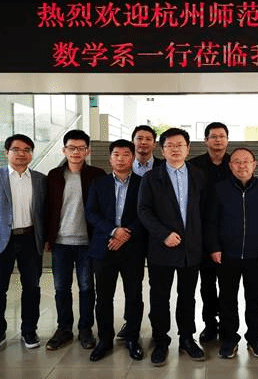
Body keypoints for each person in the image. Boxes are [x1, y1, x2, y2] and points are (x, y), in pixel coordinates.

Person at [138, 128, 207, 366]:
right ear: (162, 149)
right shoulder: (151, 178)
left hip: (191, 248)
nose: (175, 149)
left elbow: (206, 211)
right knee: (160, 296)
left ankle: (187, 338)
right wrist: (163, 234)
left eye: (180, 145)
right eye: (169, 145)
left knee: (188, 296)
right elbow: (143, 211)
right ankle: (161, 340)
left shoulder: (199, 175)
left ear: (188, 148)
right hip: (162, 247)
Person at [0, 134, 47, 355]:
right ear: (7, 152)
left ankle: (29, 331)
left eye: (27, 150)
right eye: (16, 149)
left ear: (31, 154)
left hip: (30, 239)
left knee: (32, 287)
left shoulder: (40, 179)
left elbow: (42, 210)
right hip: (0, 240)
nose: (21, 154)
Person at [207, 147, 258, 359]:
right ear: (230, 166)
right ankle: (229, 339)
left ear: (254, 165)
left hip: (257, 255)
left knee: (255, 299)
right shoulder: (219, 189)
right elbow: (211, 222)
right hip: (226, 255)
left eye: (246, 161)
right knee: (227, 299)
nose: (242, 165)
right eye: (237, 162)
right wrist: (214, 247)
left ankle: (256, 339)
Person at [85, 139, 146, 362]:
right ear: (110, 158)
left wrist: (126, 233)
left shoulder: (143, 183)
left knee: (134, 295)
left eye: (126, 154)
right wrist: (113, 231)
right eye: (116, 155)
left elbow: (146, 212)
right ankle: (105, 340)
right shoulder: (98, 183)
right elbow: (91, 213)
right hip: (104, 248)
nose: (121, 159)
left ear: (133, 157)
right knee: (103, 297)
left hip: (133, 249)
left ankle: (132, 338)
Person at [45, 130, 106, 351]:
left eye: (81, 148)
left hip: (87, 243)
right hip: (61, 242)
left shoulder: (97, 175)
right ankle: (64, 329)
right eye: (71, 148)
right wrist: (48, 237)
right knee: (61, 288)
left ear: (87, 151)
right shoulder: (54, 175)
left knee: (87, 287)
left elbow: (103, 208)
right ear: (64, 150)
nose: (76, 152)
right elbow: (46, 208)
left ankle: (85, 329)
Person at [116, 125, 163, 342]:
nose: (143, 142)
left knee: (157, 284)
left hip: (157, 236)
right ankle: (131, 323)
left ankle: (157, 325)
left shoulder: (164, 167)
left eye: (148, 139)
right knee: (132, 285)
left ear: (154, 143)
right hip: (129, 237)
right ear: (133, 141)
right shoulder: (124, 166)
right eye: (139, 138)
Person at [189, 122, 231, 343]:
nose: (218, 140)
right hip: (202, 233)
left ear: (227, 140)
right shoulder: (193, 166)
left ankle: (227, 324)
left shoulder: (235, 163)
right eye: (213, 136)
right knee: (207, 283)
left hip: (230, 233)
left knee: (228, 284)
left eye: (222, 136)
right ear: (205, 140)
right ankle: (209, 324)